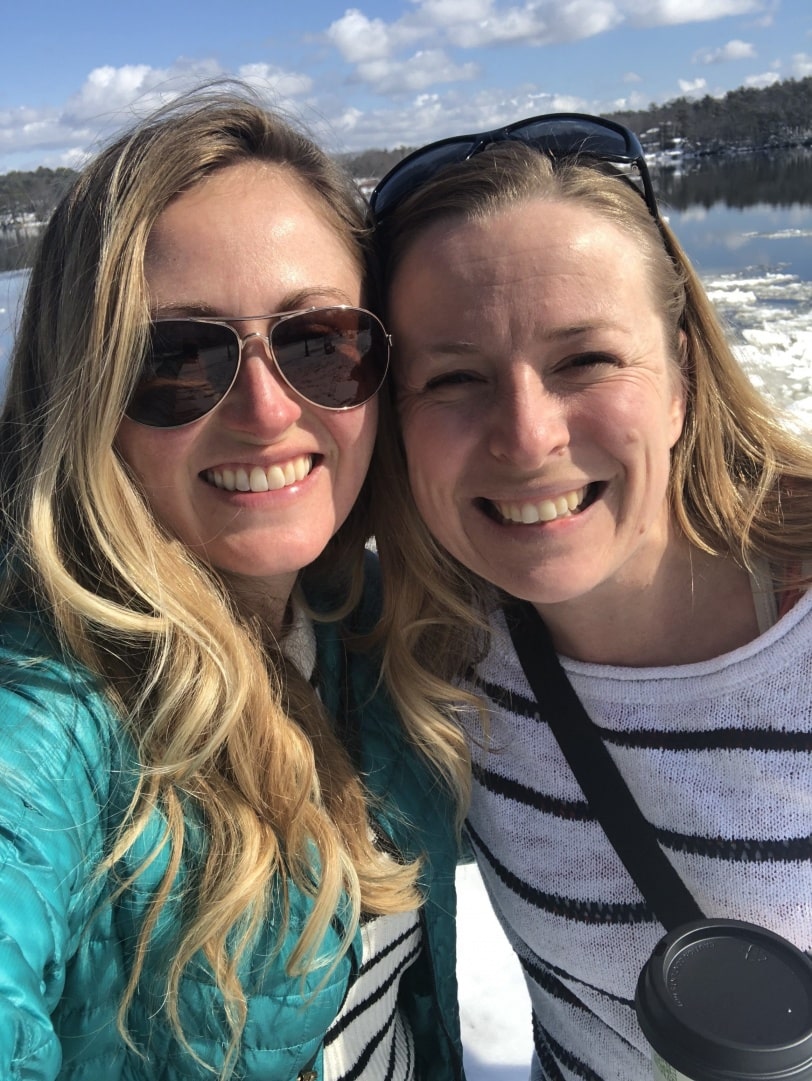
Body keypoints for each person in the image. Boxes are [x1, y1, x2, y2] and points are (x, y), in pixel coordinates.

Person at [0, 87, 469, 1081]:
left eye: (319, 344)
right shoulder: (47, 712)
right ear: (85, 395)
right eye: (177, 359)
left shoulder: (368, 626)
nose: (266, 410)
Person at [366, 113, 812, 1081]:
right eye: (454, 376)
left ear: (682, 377)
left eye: (585, 360)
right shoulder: (433, 656)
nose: (526, 437)